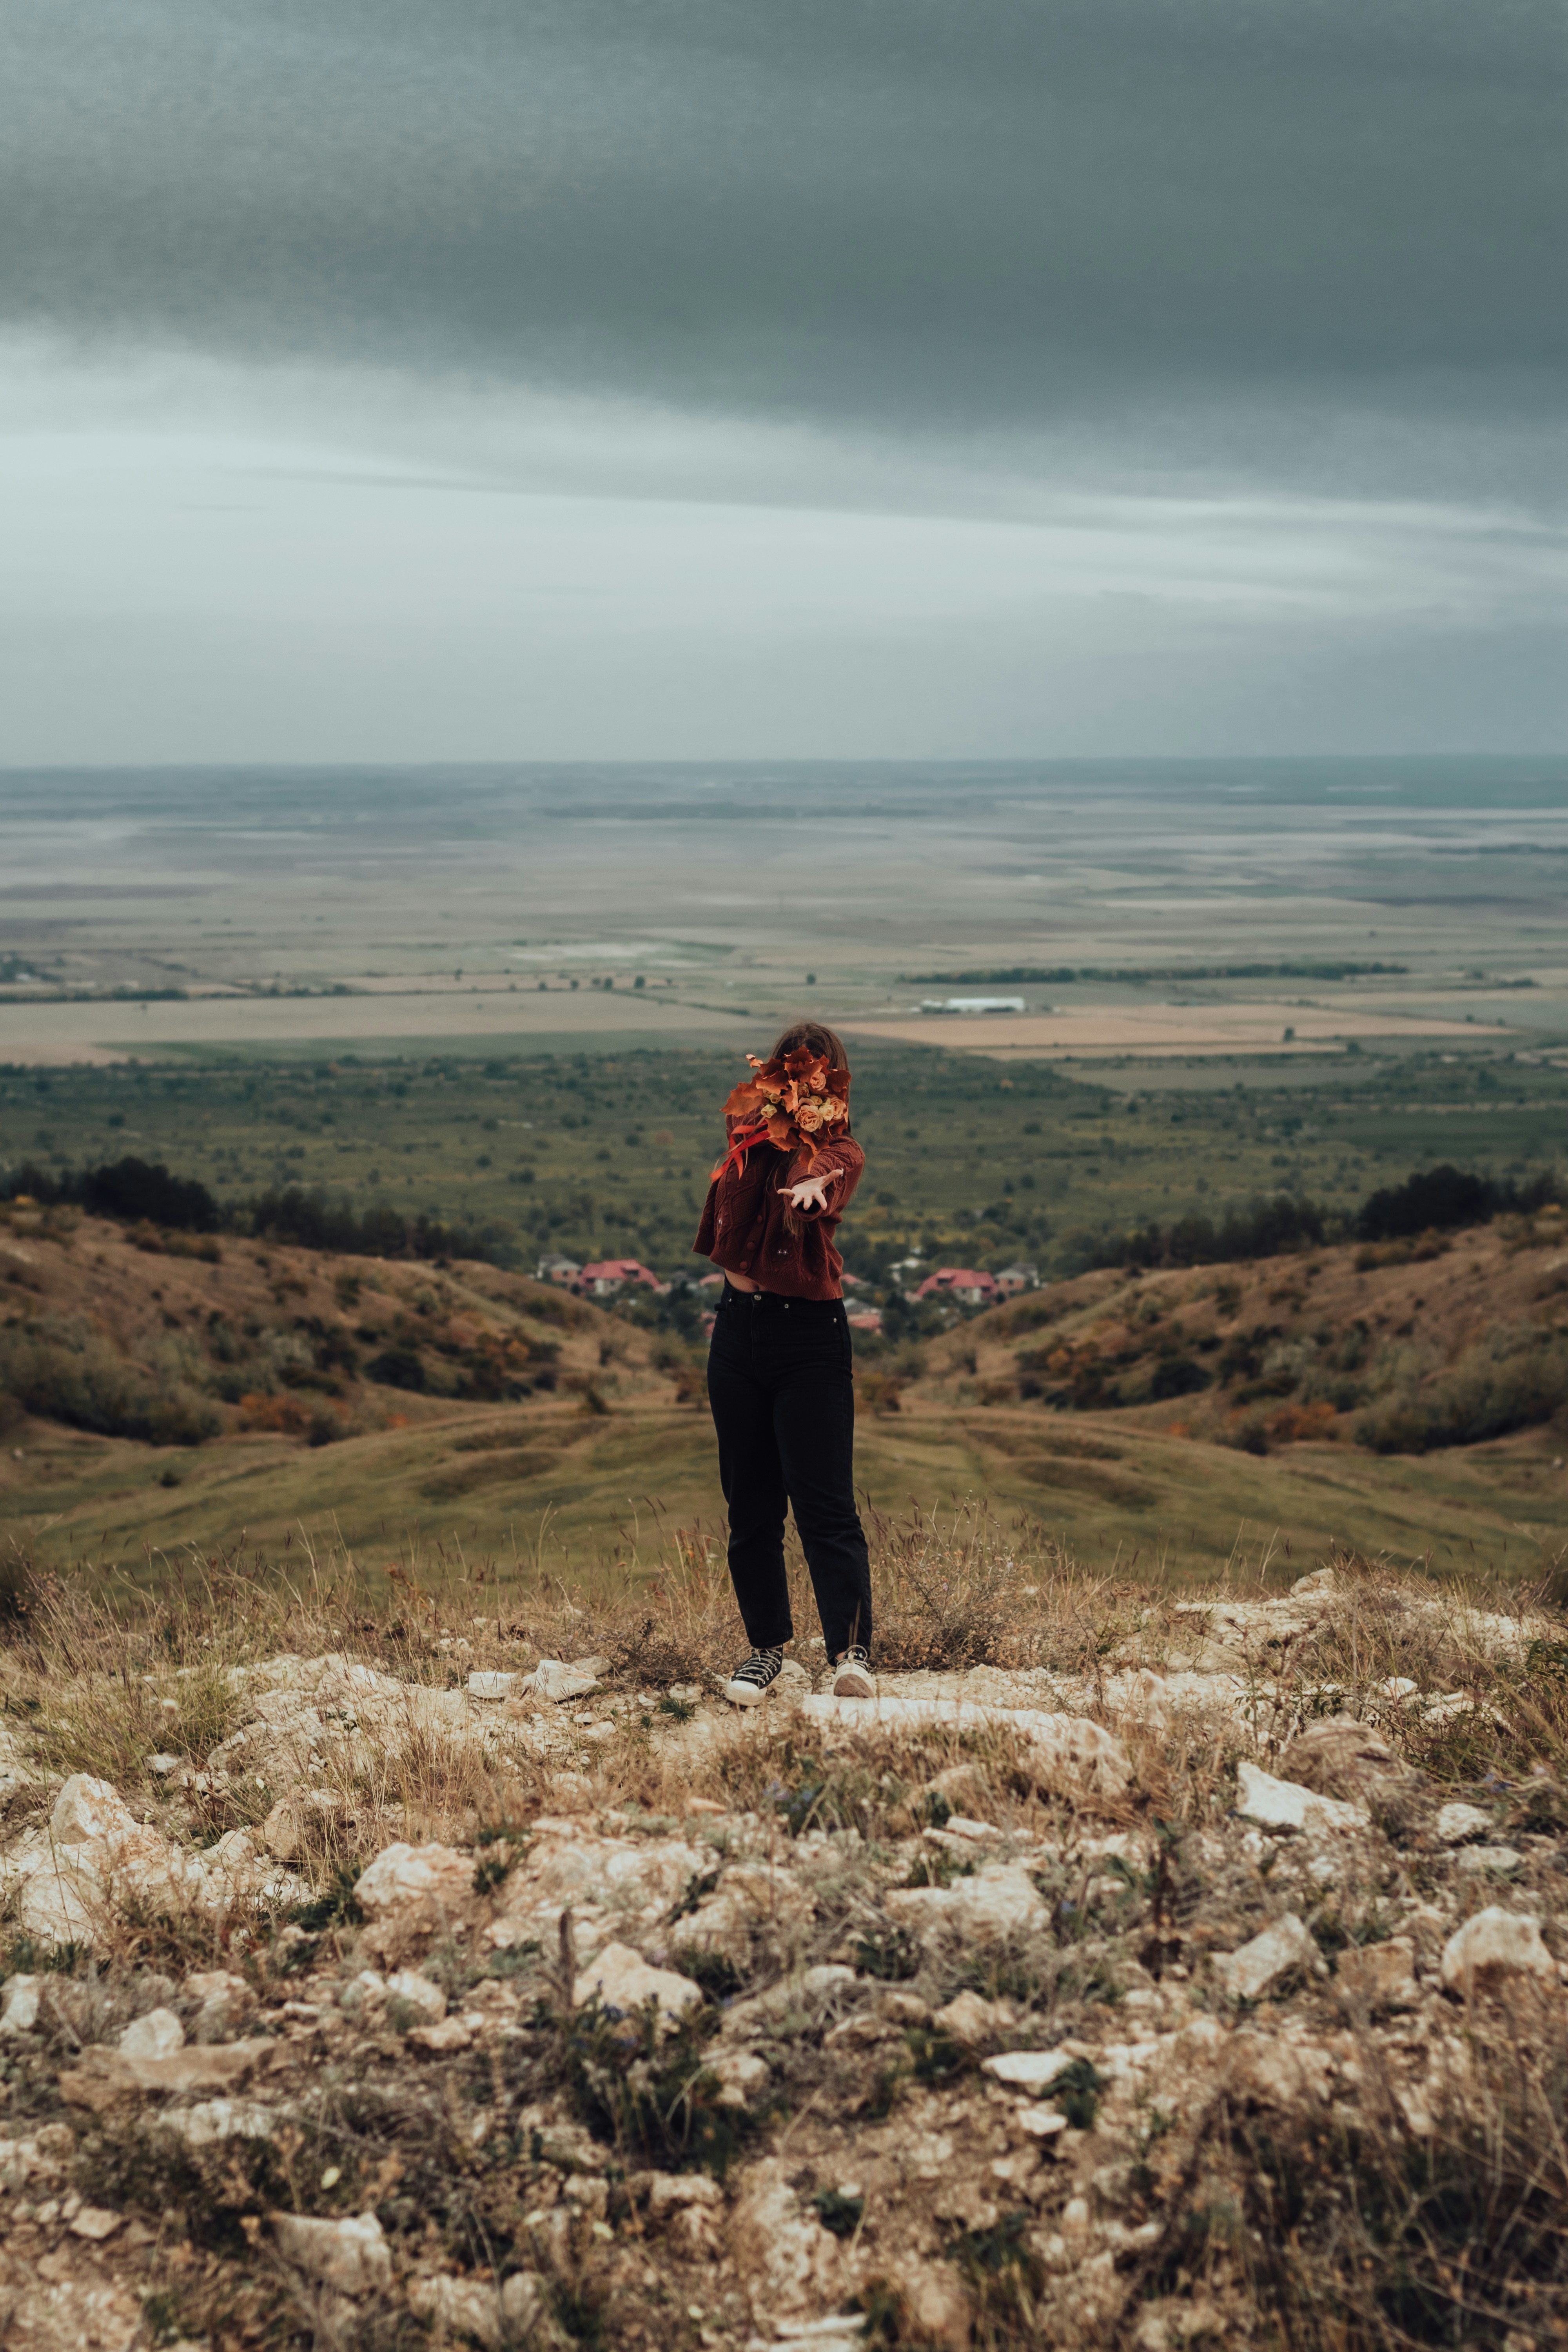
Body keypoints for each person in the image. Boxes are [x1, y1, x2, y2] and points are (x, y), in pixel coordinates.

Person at [692, 1019, 876, 1706]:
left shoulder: (842, 1150)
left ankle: (851, 1653)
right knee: (751, 1509)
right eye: (790, 1073)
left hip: (810, 1340)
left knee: (825, 1506)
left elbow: (825, 1171)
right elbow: (763, 1151)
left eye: (816, 1077)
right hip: (738, 1334)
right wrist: (775, 1121)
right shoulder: (746, 1138)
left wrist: (813, 1181)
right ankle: (766, 1652)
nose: (803, 1087)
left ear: (834, 1086)